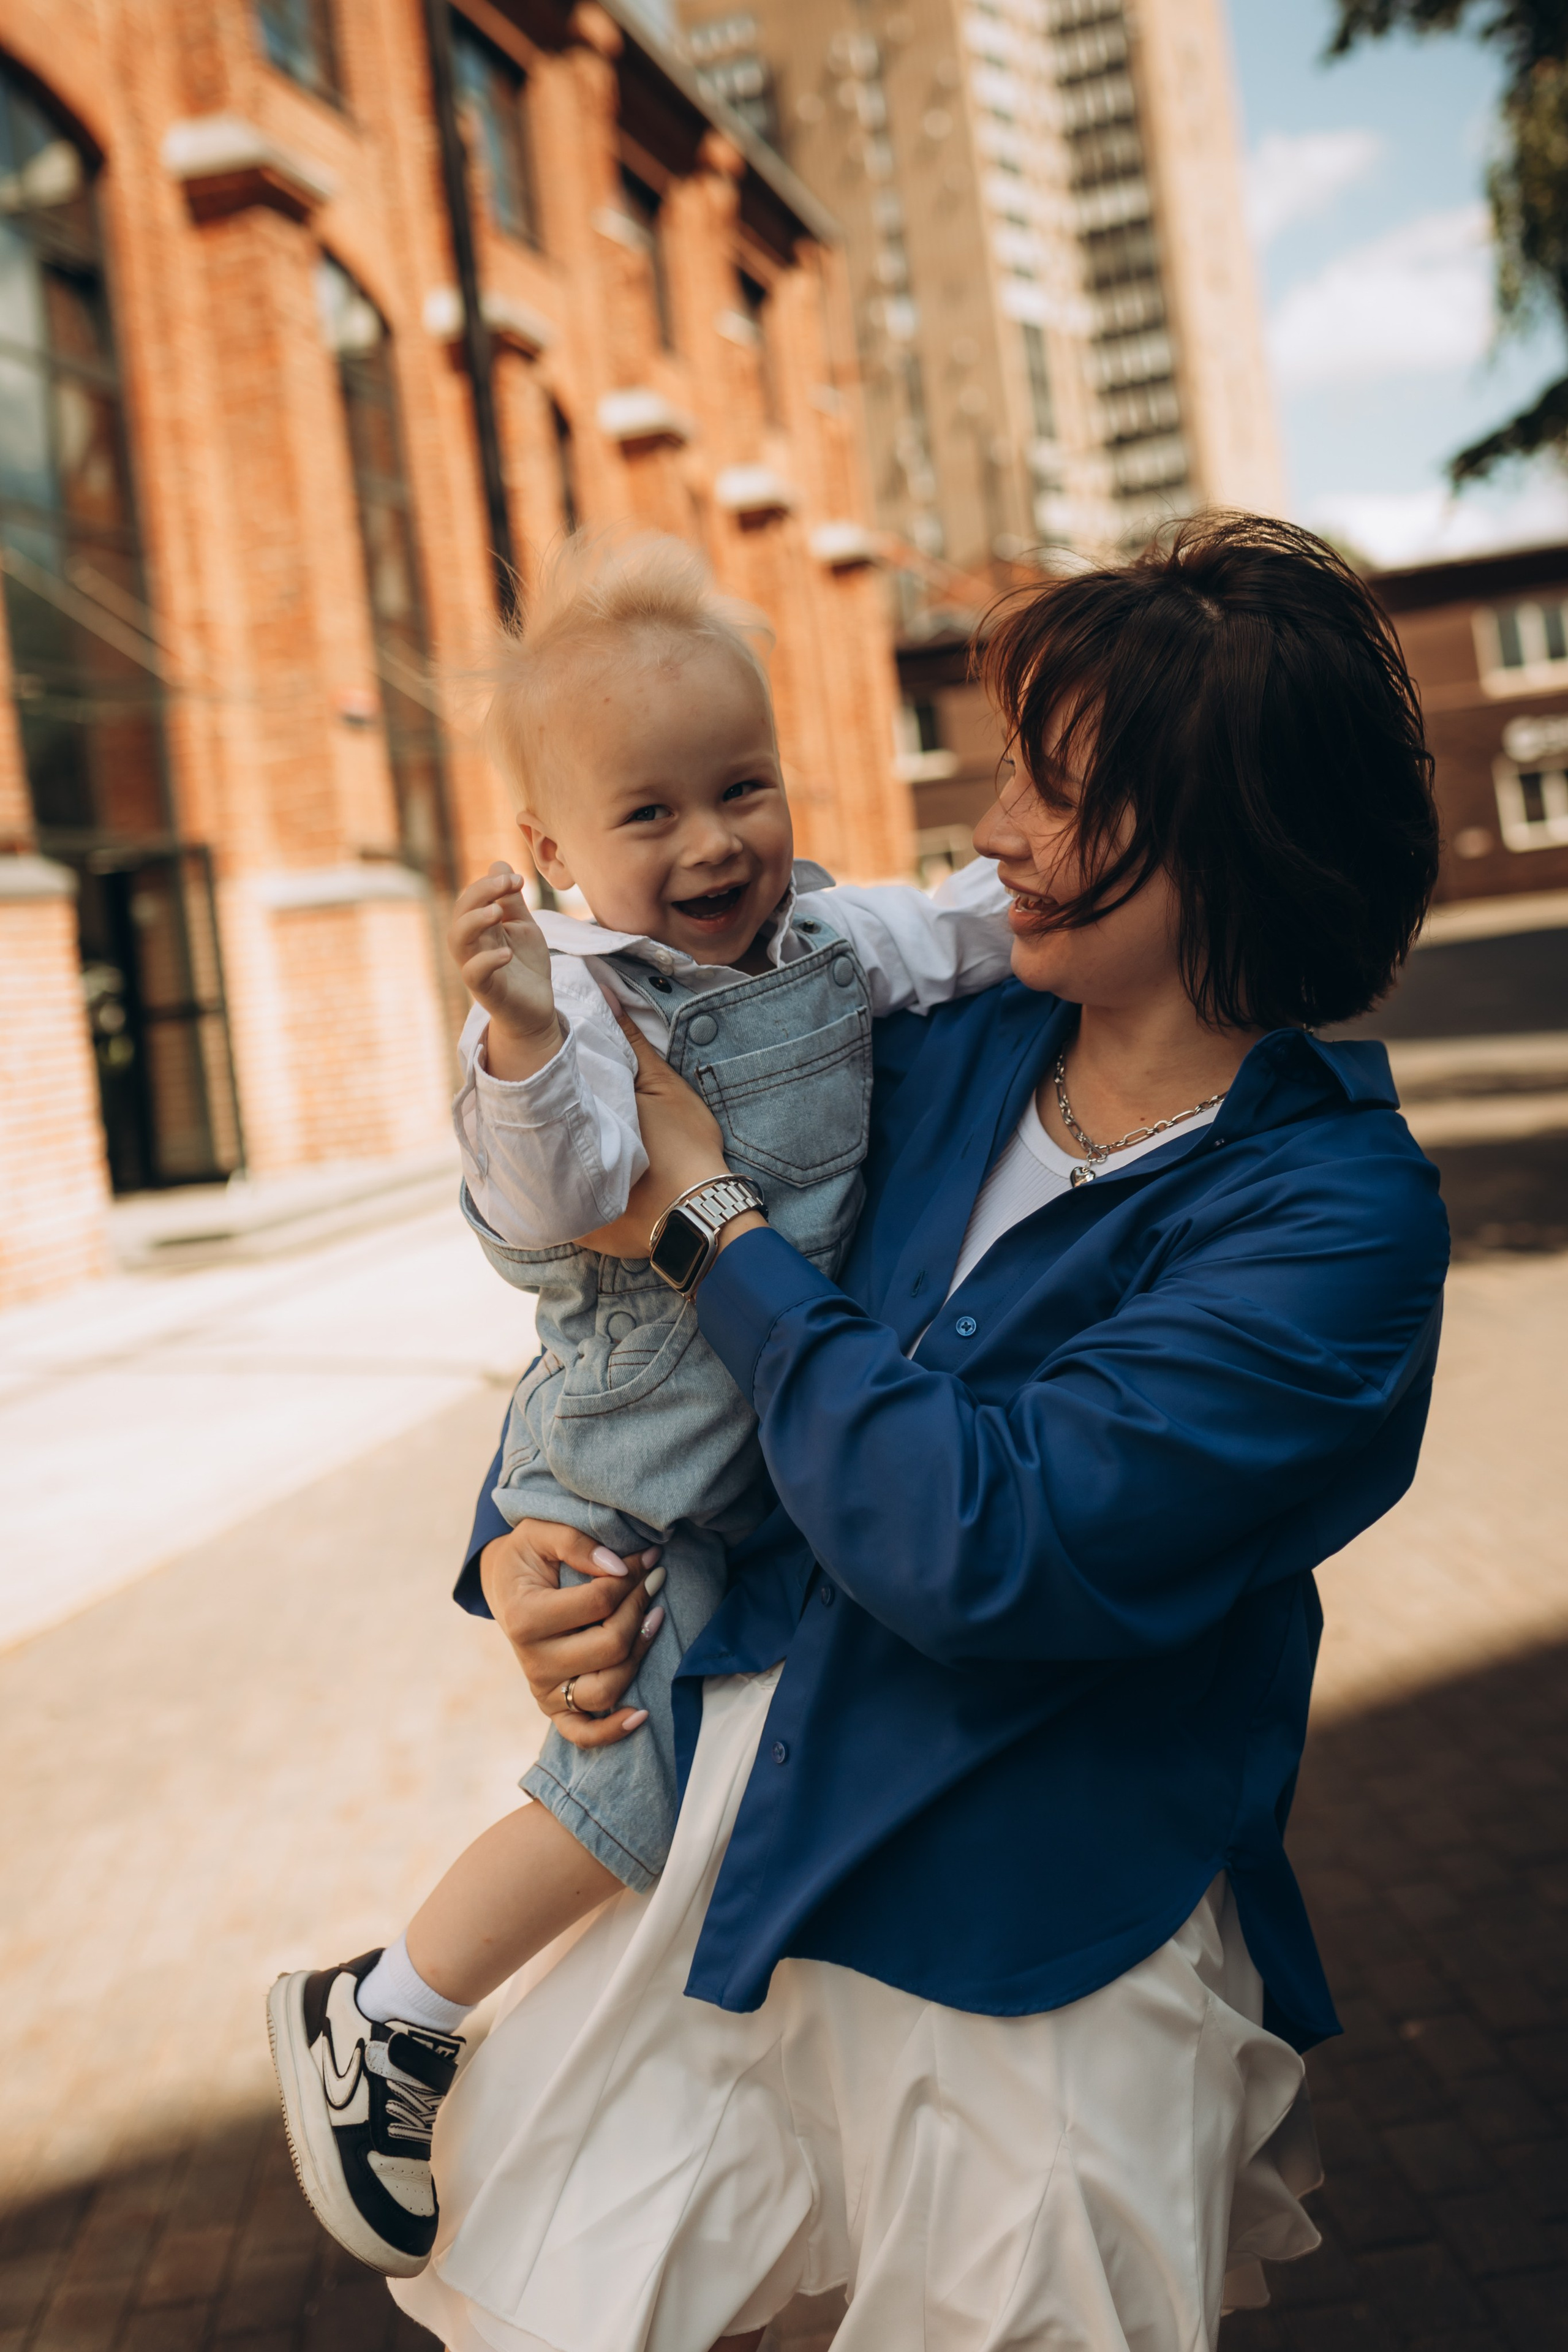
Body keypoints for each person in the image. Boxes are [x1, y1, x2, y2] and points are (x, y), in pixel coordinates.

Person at [390, 514, 1449, 2352]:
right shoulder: (938, 1049)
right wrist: (526, 1534)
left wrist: (713, 1229)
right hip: (758, 1844)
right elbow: (633, 1308)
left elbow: (987, 1541)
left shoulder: (1334, 1227)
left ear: (1222, 839)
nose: (996, 836)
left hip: (1035, 1938)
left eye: (1056, 792)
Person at [266, 531, 1014, 2276]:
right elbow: (562, 1189)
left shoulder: (834, 934)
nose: (712, 843)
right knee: (624, 1777)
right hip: (624, 1449)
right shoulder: (584, 1004)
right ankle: (390, 2015)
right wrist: (520, 1034)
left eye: (740, 789)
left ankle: (402, 2010)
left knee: (656, 1770)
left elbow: (970, 933)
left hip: (738, 1446)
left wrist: (1060, 878)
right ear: (553, 858)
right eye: (651, 815)